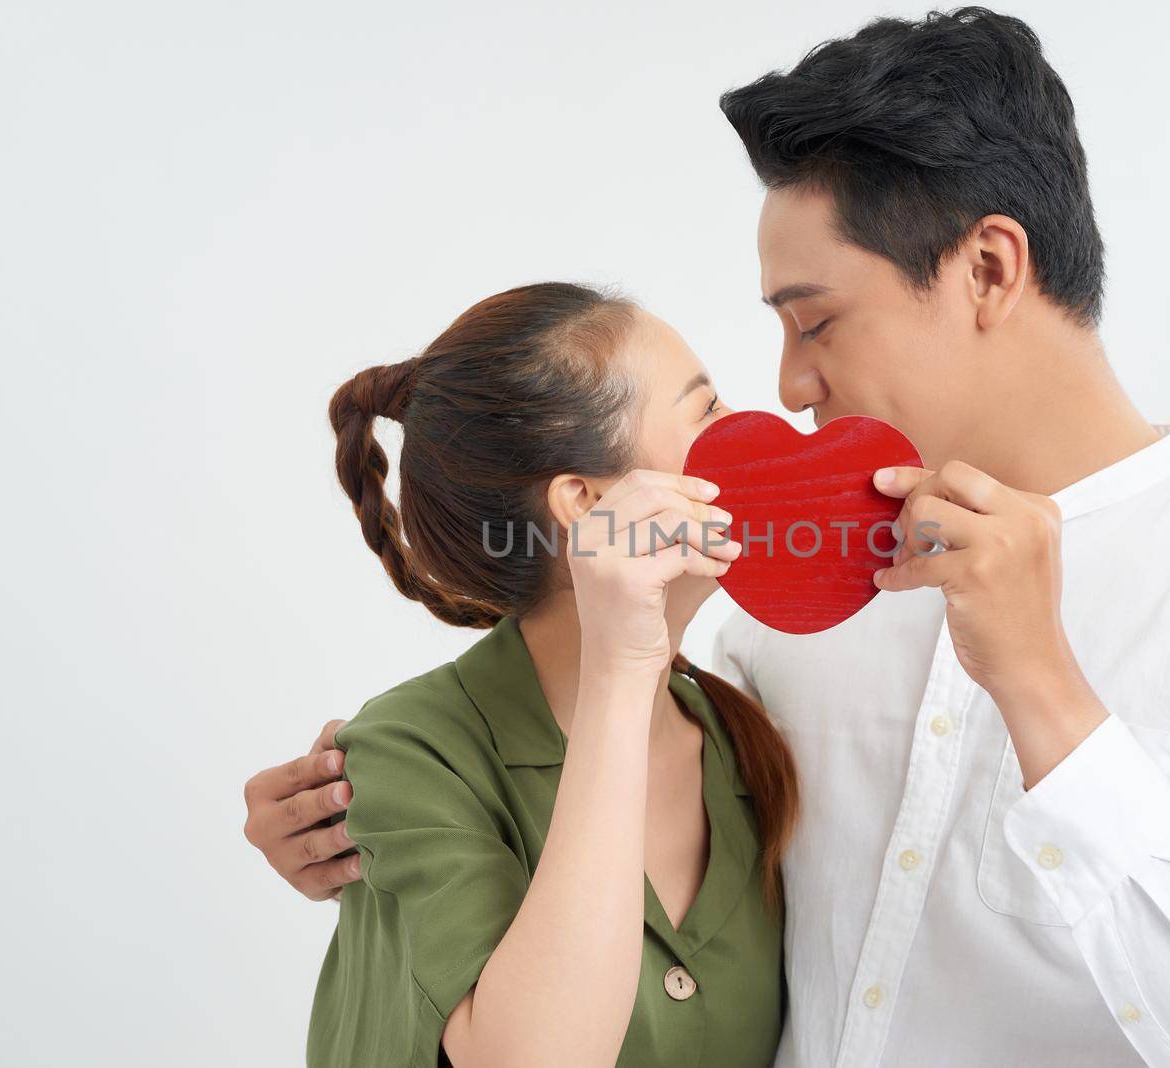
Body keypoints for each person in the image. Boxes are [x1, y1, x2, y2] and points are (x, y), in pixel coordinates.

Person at [246, 9, 1170, 1065]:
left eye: (815, 322)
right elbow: (594, 764)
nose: (791, 383)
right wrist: (361, 832)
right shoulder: (782, 596)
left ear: (988, 270)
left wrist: (1048, 694)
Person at [289, 281, 796, 1067]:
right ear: (586, 503)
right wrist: (623, 669)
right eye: (709, 413)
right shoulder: (405, 752)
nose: (759, 435)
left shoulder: (742, 741)